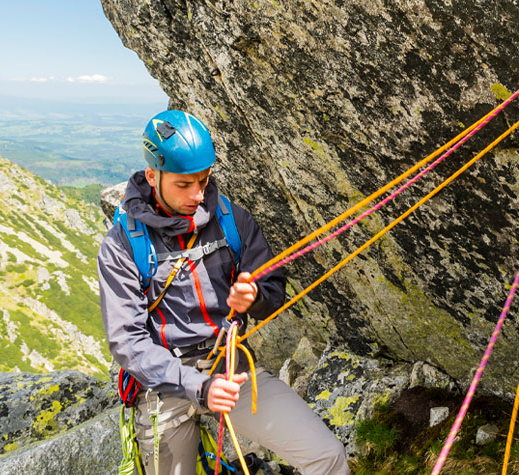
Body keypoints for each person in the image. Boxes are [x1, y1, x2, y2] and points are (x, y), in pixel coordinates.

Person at [98, 110, 349, 475]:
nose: (197, 195)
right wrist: (199, 387)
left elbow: (273, 292)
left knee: (327, 458)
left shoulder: (231, 220)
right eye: (183, 184)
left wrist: (254, 298)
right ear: (153, 176)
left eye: (203, 181)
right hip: (166, 385)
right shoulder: (123, 245)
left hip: (231, 369)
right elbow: (127, 342)